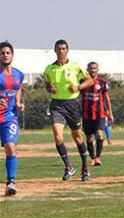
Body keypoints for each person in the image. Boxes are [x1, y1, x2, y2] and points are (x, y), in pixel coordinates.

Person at [43, 39, 94, 181]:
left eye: (64, 48)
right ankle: (68, 167)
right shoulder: (49, 69)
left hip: (73, 104)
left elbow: (89, 81)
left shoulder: (75, 66)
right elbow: (47, 84)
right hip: (57, 105)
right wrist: (49, 88)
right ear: (55, 50)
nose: (61, 51)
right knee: (58, 136)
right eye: (58, 48)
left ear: (67, 50)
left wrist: (78, 87)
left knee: (77, 137)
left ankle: (85, 168)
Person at [0, 42, 24, 196]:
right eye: (2, 53)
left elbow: (18, 87)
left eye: (8, 52)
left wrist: (18, 102)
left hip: (9, 117)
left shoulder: (18, 74)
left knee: (11, 146)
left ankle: (11, 183)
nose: (5, 55)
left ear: (12, 55)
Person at [81, 62, 113, 166]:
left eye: (95, 68)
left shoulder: (102, 82)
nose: (93, 70)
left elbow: (107, 98)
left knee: (99, 133)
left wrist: (110, 113)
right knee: (89, 138)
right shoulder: (83, 81)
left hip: (100, 113)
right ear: (88, 69)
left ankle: (98, 157)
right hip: (86, 114)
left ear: (98, 69)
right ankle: (92, 157)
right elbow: (78, 96)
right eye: (91, 68)